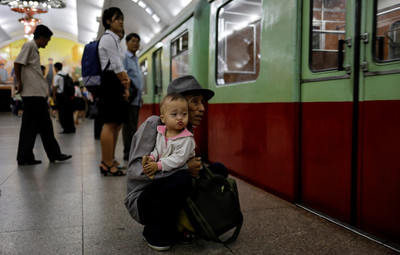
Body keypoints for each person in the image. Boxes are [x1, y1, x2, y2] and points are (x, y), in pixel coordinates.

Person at [125, 75, 228, 251]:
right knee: (181, 179)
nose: (202, 108)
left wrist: (195, 168)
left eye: (203, 102)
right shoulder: (154, 125)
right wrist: (186, 168)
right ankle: (153, 230)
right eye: (195, 102)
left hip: (169, 184)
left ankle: (186, 222)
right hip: (143, 198)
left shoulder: (185, 130)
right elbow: (138, 172)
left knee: (219, 170)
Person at [14, 24, 71, 165]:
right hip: (33, 94)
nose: (47, 43)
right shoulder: (29, 46)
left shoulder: (34, 49)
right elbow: (17, 63)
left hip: (34, 93)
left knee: (30, 126)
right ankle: (54, 154)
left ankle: (25, 157)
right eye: (47, 40)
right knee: (45, 124)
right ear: (41, 37)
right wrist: (20, 82)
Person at [98, 7, 130, 176]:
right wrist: (126, 82)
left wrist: (124, 84)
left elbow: (119, 65)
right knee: (110, 124)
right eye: (118, 18)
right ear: (108, 21)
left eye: (122, 18)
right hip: (111, 82)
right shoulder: (108, 38)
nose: (121, 21)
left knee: (117, 124)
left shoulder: (115, 40)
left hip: (115, 82)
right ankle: (106, 163)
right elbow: (117, 66)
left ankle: (111, 158)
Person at [142, 93, 195, 179]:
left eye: (184, 114)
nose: (180, 118)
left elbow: (178, 159)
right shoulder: (161, 133)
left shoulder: (186, 139)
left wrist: (159, 165)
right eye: (174, 114)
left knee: (182, 178)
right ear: (163, 119)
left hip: (182, 174)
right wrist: (152, 157)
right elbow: (158, 150)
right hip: (166, 173)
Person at [122, 32, 143, 161]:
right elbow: (123, 76)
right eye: (133, 41)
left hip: (136, 97)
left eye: (137, 41)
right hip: (129, 97)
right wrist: (126, 92)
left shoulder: (135, 58)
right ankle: (127, 152)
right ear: (127, 43)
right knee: (128, 126)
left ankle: (132, 151)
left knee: (134, 126)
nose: (135, 44)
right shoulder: (124, 57)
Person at [53, 62, 75, 134]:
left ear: (56, 68)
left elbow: (55, 87)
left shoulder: (57, 76)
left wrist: (54, 97)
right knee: (69, 112)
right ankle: (71, 128)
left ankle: (65, 128)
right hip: (67, 96)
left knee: (62, 112)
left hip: (61, 96)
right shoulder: (65, 75)